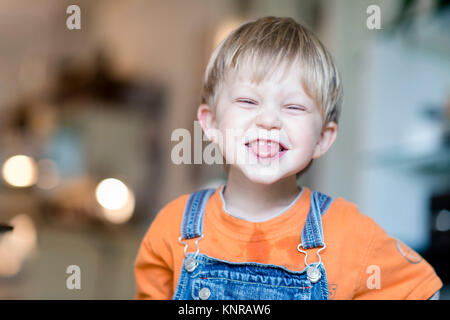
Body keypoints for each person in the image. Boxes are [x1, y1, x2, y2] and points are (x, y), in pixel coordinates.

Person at [134, 16, 442, 300]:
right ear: (211, 123)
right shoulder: (172, 227)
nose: (269, 120)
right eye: (247, 101)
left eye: (294, 107)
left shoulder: (349, 233)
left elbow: (422, 291)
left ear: (322, 138)